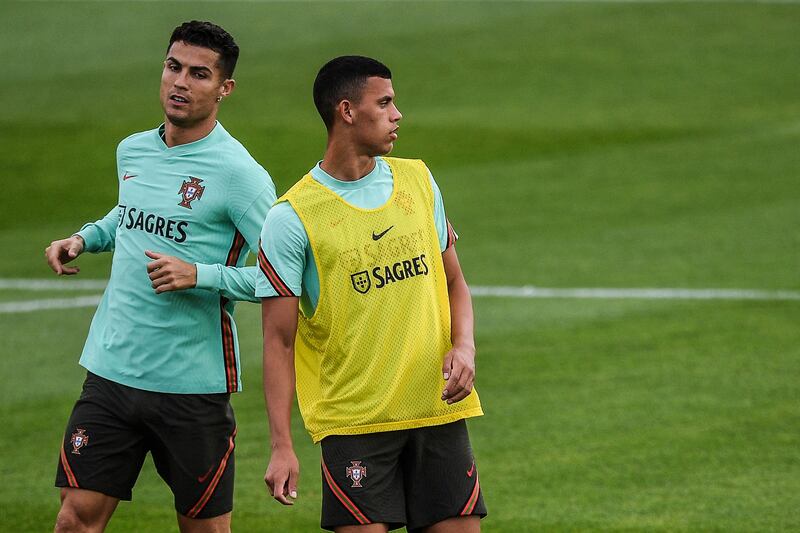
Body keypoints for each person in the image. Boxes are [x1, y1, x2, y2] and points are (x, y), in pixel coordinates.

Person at [44, 21, 275, 532]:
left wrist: (202, 274)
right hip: (111, 370)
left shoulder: (240, 175)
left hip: (191, 387)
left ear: (224, 88)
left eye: (198, 74)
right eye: (174, 67)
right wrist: (84, 237)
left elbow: (281, 272)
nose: (180, 83)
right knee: (73, 521)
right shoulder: (133, 151)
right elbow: (130, 212)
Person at [258, 56, 486, 532]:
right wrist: (282, 444)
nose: (397, 114)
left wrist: (463, 346)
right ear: (346, 111)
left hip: (437, 410)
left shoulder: (418, 181)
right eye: (384, 103)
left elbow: (454, 283)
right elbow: (278, 341)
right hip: (355, 425)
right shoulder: (292, 218)